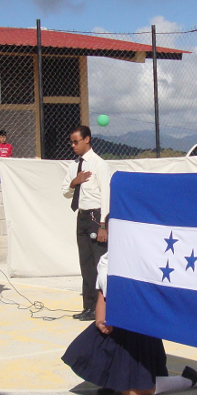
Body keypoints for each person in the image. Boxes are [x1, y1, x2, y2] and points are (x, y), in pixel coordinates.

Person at [62, 223, 197, 395]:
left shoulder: (142, 260)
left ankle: (186, 379)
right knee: (90, 358)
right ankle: (114, 381)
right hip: (113, 328)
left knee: (134, 392)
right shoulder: (106, 261)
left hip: (137, 330)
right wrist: (100, 319)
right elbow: (102, 293)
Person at [61, 125, 111, 322]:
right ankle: (88, 306)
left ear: (87, 139)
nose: (73, 145)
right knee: (85, 264)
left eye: (76, 141)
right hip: (81, 217)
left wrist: (103, 224)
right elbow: (65, 191)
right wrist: (75, 181)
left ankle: (102, 306)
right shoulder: (75, 165)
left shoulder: (99, 164)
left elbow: (106, 195)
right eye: (71, 142)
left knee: (99, 263)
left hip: (95, 217)